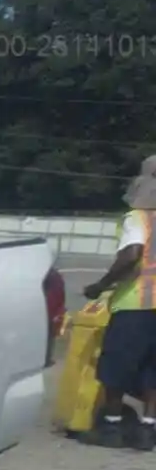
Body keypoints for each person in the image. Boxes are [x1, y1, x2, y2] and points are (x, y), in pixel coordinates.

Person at [79, 154, 156, 449]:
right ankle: (148, 429)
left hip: (136, 306)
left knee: (116, 366)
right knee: (153, 370)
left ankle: (111, 427)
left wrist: (100, 285)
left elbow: (132, 255)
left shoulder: (137, 219)